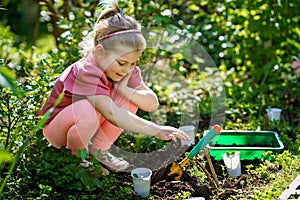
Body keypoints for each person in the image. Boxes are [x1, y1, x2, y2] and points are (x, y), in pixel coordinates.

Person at [37, 0, 189, 174]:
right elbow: (111, 113)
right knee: (88, 107)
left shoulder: (125, 69)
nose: (127, 69)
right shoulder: (87, 70)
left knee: (130, 98)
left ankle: (100, 150)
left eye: (133, 63)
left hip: (84, 128)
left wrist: (125, 90)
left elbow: (151, 104)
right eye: (122, 62)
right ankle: (76, 159)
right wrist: (156, 130)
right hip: (56, 131)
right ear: (100, 52)